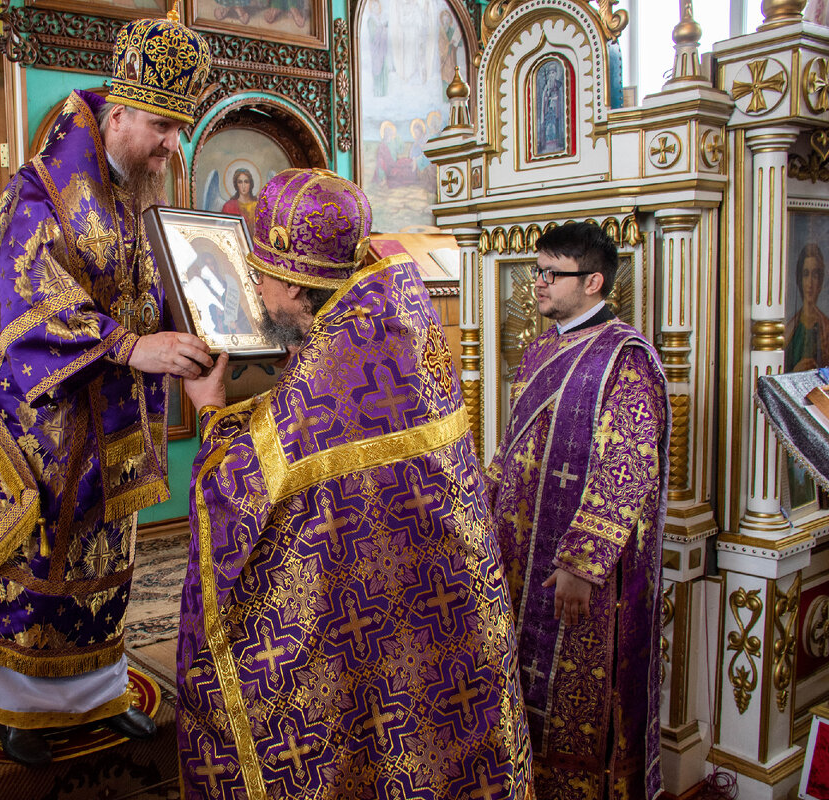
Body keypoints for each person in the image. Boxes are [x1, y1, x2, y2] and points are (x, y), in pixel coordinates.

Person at [0, 10, 213, 770]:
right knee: (28, 561)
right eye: (163, 126)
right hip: (37, 419)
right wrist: (132, 345)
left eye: (180, 128)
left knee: (104, 559)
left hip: (115, 418)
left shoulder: (136, 190)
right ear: (119, 111)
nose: (173, 145)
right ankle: (14, 704)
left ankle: (98, 692)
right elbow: (24, 304)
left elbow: (154, 281)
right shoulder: (35, 193)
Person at [178, 169, 533, 798]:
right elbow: (309, 427)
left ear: (293, 282)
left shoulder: (333, 367)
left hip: (380, 595)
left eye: (262, 277)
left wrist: (209, 413)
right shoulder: (394, 312)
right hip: (447, 607)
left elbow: (238, 490)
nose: (257, 291)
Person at [485, 221, 669, 800]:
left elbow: (629, 466)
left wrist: (582, 564)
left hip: (579, 576)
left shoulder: (626, 359)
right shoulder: (543, 346)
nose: (535, 284)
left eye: (549, 274)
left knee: (579, 704)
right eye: (536, 271)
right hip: (519, 554)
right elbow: (514, 443)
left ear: (593, 282)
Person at [785, 243, 829, 372]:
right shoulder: (790, 327)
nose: (810, 283)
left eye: (815, 275)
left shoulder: (826, 328)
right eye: (806, 274)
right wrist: (794, 372)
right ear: (800, 280)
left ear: (820, 282)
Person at [221, 168, 258, 236]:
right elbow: (224, 230)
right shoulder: (229, 206)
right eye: (240, 182)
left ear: (250, 184)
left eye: (246, 182)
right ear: (236, 185)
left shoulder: (258, 206)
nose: (243, 186)